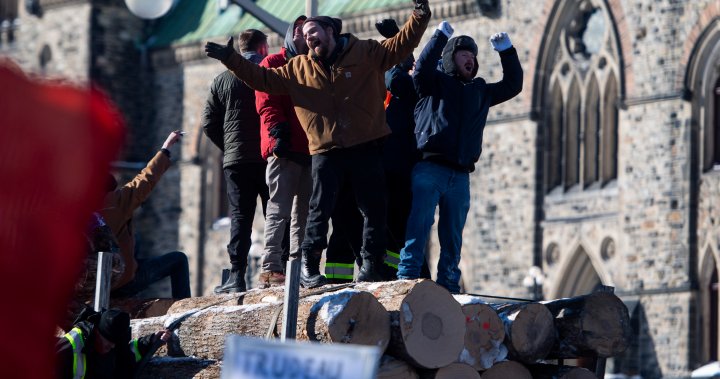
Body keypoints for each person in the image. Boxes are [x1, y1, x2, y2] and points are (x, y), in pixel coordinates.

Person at [205, 0, 432, 288]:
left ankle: (372, 266)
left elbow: (402, 44)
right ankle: (310, 267)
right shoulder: (298, 67)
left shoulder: (365, 51)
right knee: (318, 210)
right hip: (326, 151)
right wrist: (231, 59)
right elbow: (262, 79)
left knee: (374, 209)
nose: (309, 36)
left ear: (330, 31)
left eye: (313, 30)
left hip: (365, 145)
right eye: (305, 33)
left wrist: (420, 13)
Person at [396, 21, 523, 293]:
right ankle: (407, 276)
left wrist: (507, 52)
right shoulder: (433, 84)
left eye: (473, 56)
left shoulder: (481, 91)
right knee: (420, 223)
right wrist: (440, 37)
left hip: (461, 174)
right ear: (451, 59)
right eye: (464, 54)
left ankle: (449, 282)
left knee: (452, 234)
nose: (471, 59)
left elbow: (513, 85)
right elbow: (421, 69)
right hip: (430, 167)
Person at [202, 29, 270, 293]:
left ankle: (237, 276)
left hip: (236, 161)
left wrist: (229, 147)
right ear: (263, 47)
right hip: (267, 157)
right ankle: (279, 271)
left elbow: (208, 123)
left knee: (240, 218)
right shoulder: (267, 73)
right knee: (275, 214)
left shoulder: (221, 81)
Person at [255, 16, 313, 288]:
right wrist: (278, 133)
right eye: (301, 32)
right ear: (292, 35)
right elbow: (267, 103)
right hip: (284, 149)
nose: (306, 37)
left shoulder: (312, 66)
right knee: (278, 208)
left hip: (309, 149)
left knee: (303, 212)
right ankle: (270, 266)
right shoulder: (273, 63)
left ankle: (297, 264)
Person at [105, 131, 191, 300]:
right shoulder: (115, 203)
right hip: (120, 282)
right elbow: (146, 178)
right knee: (178, 260)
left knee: (133, 242)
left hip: (90, 288)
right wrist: (166, 148)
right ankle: (183, 310)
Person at [56, 308, 171, 379]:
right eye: (107, 344)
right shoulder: (70, 347)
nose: (110, 347)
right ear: (96, 332)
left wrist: (151, 341)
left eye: (113, 345)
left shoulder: (114, 346)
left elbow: (128, 355)